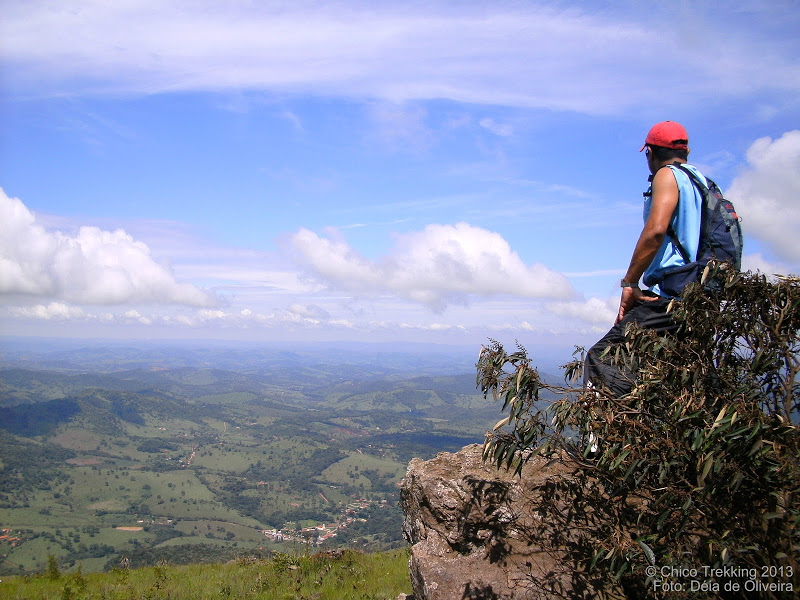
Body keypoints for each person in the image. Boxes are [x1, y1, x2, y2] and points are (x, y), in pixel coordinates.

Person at [584, 121, 708, 397]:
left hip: (678, 293)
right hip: (702, 295)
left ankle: (602, 439)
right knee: (659, 370)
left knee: (601, 359)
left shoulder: (667, 175)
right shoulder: (702, 183)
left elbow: (655, 231)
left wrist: (630, 283)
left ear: (649, 152)